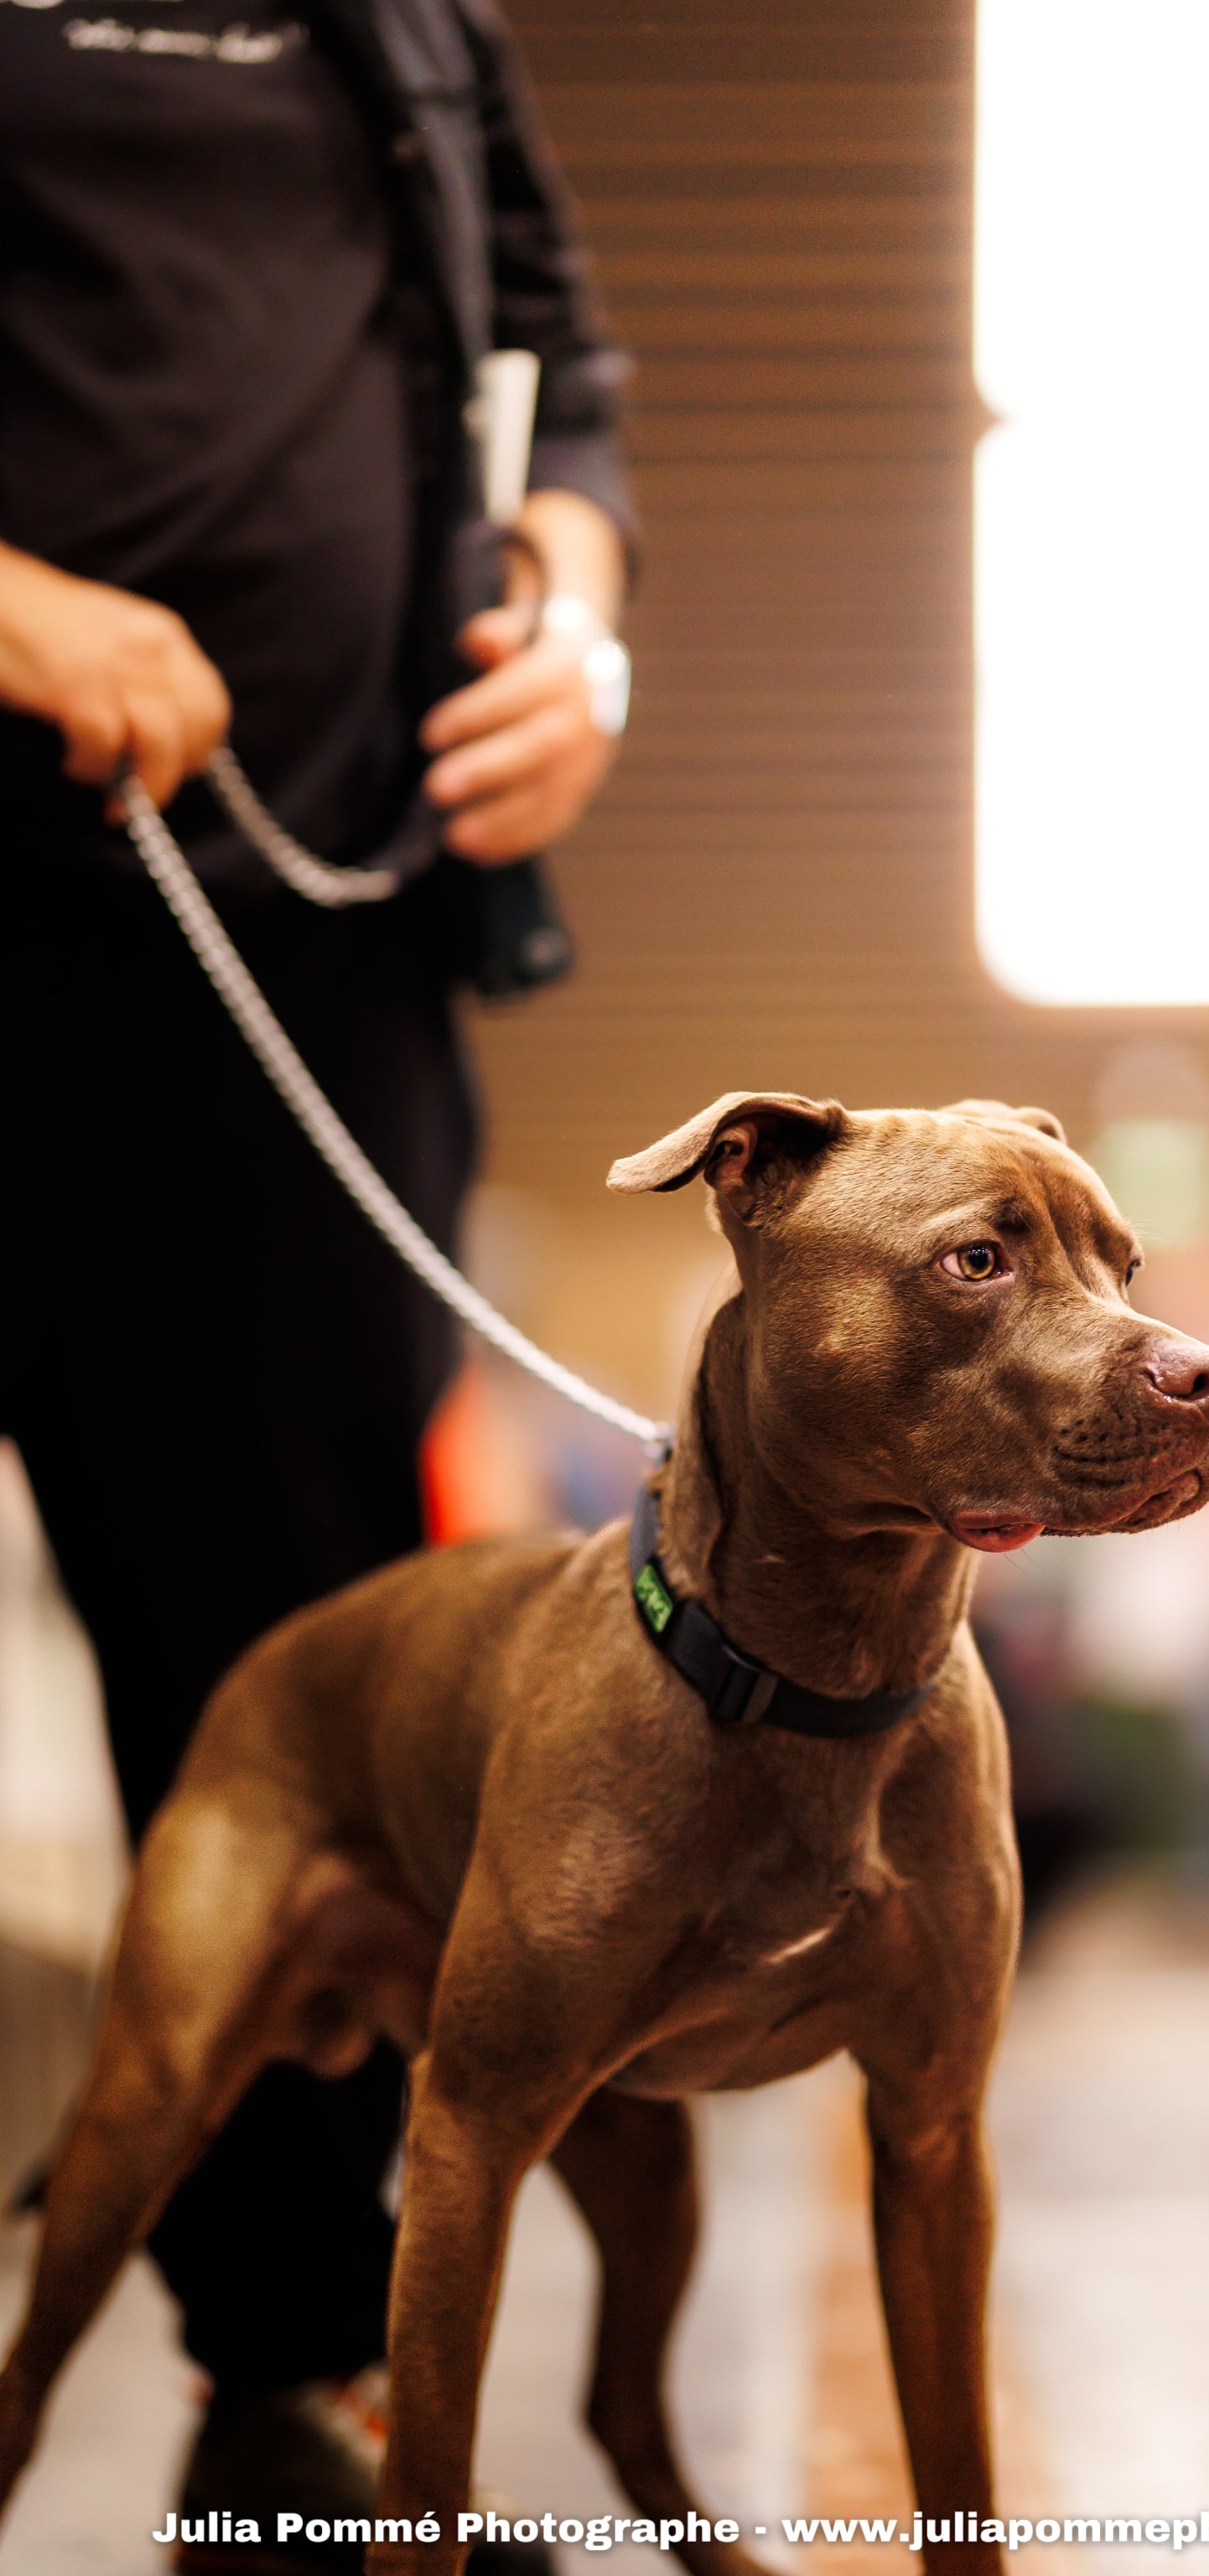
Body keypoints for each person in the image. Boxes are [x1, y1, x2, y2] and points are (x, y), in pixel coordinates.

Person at [0, 0, 632, 2559]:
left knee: (298, 1683)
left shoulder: (412, 18)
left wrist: (578, 629)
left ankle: (284, 2381)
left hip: (294, 961)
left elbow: (561, 370)